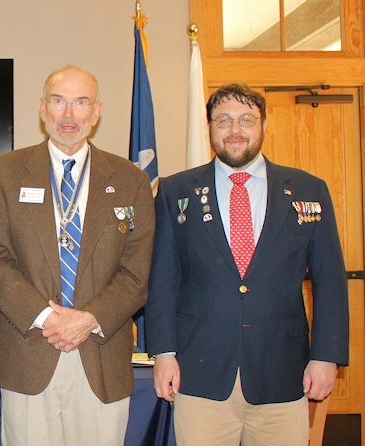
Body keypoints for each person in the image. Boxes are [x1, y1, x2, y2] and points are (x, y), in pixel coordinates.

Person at [145, 83, 349, 445]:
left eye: (246, 120)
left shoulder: (308, 190)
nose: (234, 130)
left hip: (283, 372)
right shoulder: (176, 192)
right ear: (209, 127)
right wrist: (163, 352)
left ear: (264, 124)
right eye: (223, 120)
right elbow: (162, 280)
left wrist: (326, 356)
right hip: (199, 373)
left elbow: (330, 280)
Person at [0, 65, 155, 446]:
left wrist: (88, 319)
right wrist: (48, 316)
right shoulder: (5, 173)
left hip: (101, 355)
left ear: (97, 111)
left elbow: (137, 273)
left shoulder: (131, 180)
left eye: (80, 102)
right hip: (29, 352)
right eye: (59, 101)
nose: (69, 115)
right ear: (43, 109)